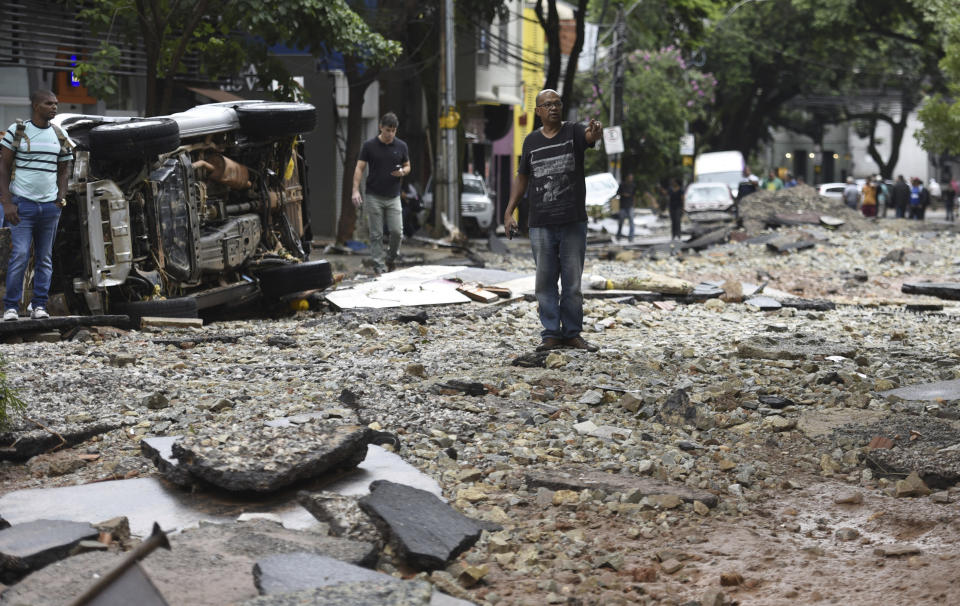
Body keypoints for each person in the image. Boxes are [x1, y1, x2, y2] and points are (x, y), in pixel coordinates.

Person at [502, 89, 602, 353]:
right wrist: (509, 211)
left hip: (572, 222)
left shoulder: (574, 132)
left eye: (557, 103)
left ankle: (572, 333)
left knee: (572, 284)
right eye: (547, 105)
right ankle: (550, 334)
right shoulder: (531, 142)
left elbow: (589, 137)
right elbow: (522, 178)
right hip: (541, 223)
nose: (553, 108)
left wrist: (595, 133)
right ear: (538, 112)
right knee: (544, 283)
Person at [0, 89, 73, 321]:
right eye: (49, 103)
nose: (54, 107)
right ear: (36, 106)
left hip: (49, 208)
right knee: (20, 254)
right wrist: (7, 203)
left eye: (56, 103)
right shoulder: (17, 131)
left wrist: (60, 198)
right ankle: (11, 306)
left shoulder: (59, 135)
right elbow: (3, 168)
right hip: (22, 206)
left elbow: (64, 169)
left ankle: (38, 305)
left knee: (44, 258)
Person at [351, 112, 410, 273]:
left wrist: (403, 172)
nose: (390, 134)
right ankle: (379, 266)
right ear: (380, 127)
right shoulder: (369, 146)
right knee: (376, 234)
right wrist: (355, 190)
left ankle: (390, 258)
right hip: (373, 195)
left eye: (393, 131)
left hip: (393, 196)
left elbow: (407, 165)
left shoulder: (401, 146)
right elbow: (360, 168)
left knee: (397, 231)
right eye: (387, 130)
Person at [615, 172, 637, 242]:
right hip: (623, 206)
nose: (630, 179)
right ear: (627, 178)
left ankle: (631, 237)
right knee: (621, 222)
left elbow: (634, 196)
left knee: (631, 222)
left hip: (630, 206)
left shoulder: (633, 185)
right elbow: (617, 193)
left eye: (631, 178)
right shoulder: (622, 185)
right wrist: (623, 194)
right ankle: (618, 235)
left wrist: (634, 205)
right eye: (629, 177)